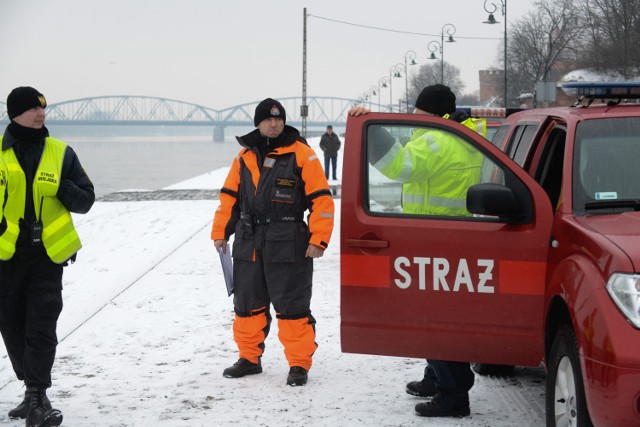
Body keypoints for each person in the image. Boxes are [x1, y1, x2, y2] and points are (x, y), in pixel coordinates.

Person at [349, 84, 485, 417]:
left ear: (434, 114)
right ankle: (435, 377)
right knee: (445, 316)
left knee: (433, 321)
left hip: (433, 238)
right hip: (454, 238)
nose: (414, 118)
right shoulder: (466, 136)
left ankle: (453, 397)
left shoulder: (437, 140)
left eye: (419, 113)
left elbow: (400, 167)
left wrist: (371, 128)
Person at [212, 98, 334, 387]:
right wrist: (220, 233)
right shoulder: (243, 156)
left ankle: (298, 364)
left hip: (288, 241)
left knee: (292, 305)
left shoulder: (302, 153)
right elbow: (229, 196)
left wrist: (319, 238)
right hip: (248, 240)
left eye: (278, 119)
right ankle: (249, 358)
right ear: (258, 123)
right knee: (247, 304)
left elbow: (321, 199)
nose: (274, 123)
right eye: (268, 119)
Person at [0, 86, 95, 427]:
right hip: (4, 258)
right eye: (33, 109)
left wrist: (63, 190)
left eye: (43, 109)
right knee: (10, 324)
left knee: (41, 324)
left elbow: (86, 199)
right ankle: (30, 389)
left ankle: (38, 396)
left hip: (47, 256)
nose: (41, 114)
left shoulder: (60, 152)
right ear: (14, 114)